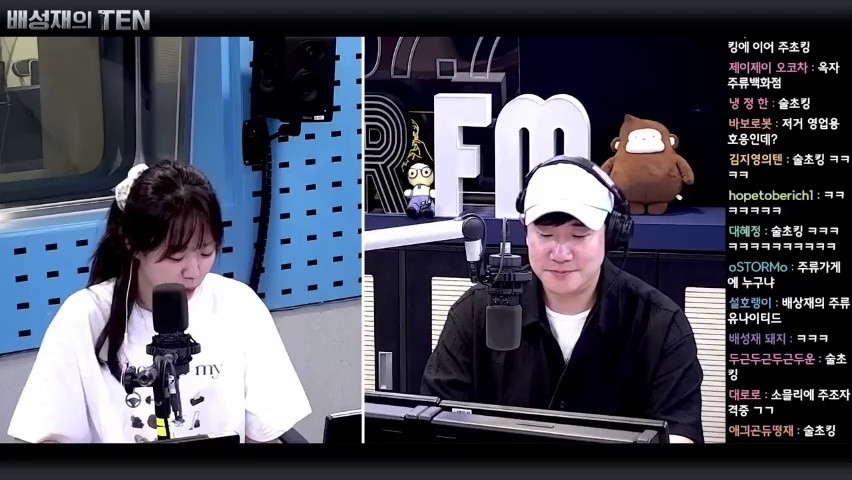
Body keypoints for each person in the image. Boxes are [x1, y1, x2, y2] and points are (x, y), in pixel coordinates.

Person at [8, 160, 312, 443]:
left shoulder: (239, 305)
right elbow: (46, 436)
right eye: (175, 256)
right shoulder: (85, 316)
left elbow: (266, 432)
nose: (193, 271)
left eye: (206, 252)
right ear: (133, 243)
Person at [421, 155, 704, 443]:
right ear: (525, 231)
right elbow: (435, 421)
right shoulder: (474, 312)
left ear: (610, 233)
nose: (560, 253)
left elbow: (680, 433)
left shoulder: (659, 324)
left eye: (579, 235)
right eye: (545, 234)